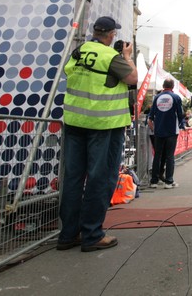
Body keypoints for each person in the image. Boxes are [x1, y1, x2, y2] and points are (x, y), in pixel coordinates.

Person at [58, 16, 137, 252]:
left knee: (73, 178)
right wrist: (127, 57)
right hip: (104, 124)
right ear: (111, 35)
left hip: (75, 122)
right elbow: (132, 78)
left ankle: (68, 234)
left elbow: (69, 74)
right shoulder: (110, 56)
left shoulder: (79, 52)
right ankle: (92, 234)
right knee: (100, 178)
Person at [148, 78, 185, 189]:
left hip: (159, 130)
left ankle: (154, 181)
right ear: (172, 86)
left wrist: (154, 128)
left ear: (163, 86)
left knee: (157, 155)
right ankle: (169, 181)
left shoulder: (156, 97)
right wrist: (182, 126)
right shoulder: (176, 97)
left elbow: (151, 116)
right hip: (172, 131)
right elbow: (180, 114)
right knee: (170, 156)